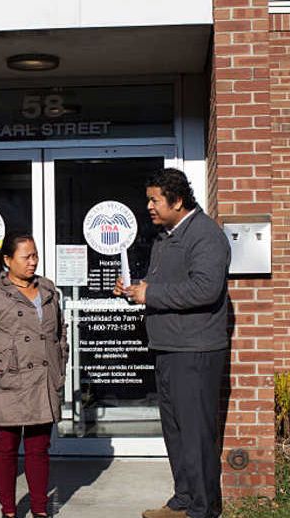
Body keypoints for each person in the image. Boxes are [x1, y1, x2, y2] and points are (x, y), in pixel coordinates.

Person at [114, 168, 232, 518]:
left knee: (195, 435)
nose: (149, 206)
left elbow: (205, 289)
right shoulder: (166, 236)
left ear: (177, 200)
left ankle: (203, 509)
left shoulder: (206, 236)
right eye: (148, 198)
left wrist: (152, 293)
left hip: (194, 351)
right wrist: (135, 290)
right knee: (177, 432)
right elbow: (160, 286)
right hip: (168, 347)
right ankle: (184, 500)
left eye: (155, 199)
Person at [0, 232, 68, 518]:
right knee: (7, 449)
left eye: (35, 255)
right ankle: (8, 511)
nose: (33, 262)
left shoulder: (48, 289)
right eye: (26, 257)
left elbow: (60, 332)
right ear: (8, 260)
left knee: (39, 449)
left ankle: (39, 509)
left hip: (42, 381)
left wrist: (60, 362)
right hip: (10, 380)